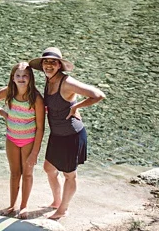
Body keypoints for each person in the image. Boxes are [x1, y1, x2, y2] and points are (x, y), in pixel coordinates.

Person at [28, 47, 105, 221]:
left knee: (69, 175)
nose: (49, 65)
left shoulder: (67, 82)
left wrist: (76, 107)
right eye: (46, 62)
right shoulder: (49, 80)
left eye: (53, 62)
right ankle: (56, 201)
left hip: (72, 135)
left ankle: (63, 209)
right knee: (49, 169)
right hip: (57, 135)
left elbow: (98, 95)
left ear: (59, 65)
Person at [0, 63, 45, 217]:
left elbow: (40, 128)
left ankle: (24, 206)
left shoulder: (36, 99)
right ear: (12, 78)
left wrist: (34, 153)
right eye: (18, 76)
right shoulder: (9, 92)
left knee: (27, 174)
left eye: (25, 75)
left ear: (30, 78)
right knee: (14, 173)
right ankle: (12, 205)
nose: (21, 79)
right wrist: (4, 114)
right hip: (11, 138)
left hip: (29, 141)